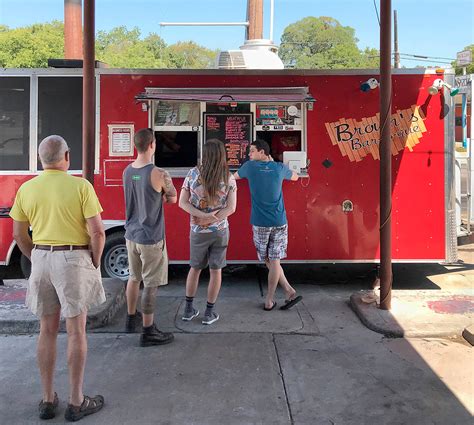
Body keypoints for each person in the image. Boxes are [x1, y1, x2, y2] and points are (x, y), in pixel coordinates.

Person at [10, 135, 106, 421]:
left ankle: (48, 398)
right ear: (67, 156)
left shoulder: (27, 189)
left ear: (41, 158)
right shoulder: (80, 186)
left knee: (47, 330)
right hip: (73, 258)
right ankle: (76, 402)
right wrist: (95, 260)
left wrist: (37, 257)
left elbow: (18, 234)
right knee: (76, 330)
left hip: (40, 257)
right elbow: (98, 232)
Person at [123, 128, 177, 346]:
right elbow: (172, 199)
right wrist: (163, 194)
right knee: (151, 284)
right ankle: (148, 330)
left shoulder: (127, 171)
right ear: (152, 145)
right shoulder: (159, 173)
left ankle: (130, 319)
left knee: (134, 278)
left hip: (131, 235)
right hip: (151, 237)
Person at [234, 138, 302, 311]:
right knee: (274, 260)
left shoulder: (249, 168)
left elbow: (231, 178)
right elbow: (295, 177)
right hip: (279, 221)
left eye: (251, 151)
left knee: (269, 260)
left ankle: (269, 300)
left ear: (262, 152)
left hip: (260, 222)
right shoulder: (279, 168)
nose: (248, 155)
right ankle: (288, 290)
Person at [179, 139, 237, 325]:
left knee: (194, 269)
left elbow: (183, 203)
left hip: (197, 231)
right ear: (222, 155)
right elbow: (231, 208)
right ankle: (209, 313)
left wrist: (201, 217)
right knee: (215, 271)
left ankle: (188, 310)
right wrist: (213, 218)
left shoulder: (193, 174)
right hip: (220, 231)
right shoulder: (228, 176)